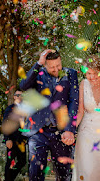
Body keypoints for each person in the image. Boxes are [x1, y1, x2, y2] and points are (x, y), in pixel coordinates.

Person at [19, 49, 78, 181]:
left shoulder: (71, 74)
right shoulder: (37, 73)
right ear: (45, 64)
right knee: (35, 173)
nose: (56, 69)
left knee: (64, 174)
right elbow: (23, 85)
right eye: (52, 67)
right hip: (38, 131)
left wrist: (69, 130)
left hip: (61, 131)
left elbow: (74, 102)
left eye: (58, 65)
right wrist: (38, 64)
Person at [3, 90, 27, 181]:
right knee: (10, 163)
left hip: (21, 141)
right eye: (18, 95)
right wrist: (7, 139)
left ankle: (10, 178)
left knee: (22, 161)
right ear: (14, 97)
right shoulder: (10, 108)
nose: (20, 97)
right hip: (12, 140)